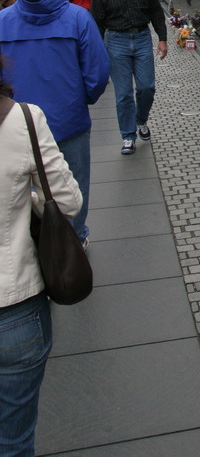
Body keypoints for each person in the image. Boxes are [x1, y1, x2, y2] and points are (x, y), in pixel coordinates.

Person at [0, 61, 82, 457]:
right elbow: (67, 202)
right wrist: (26, 200)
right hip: (15, 308)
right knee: (13, 441)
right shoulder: (22, 119)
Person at [0, 0, 109, 247]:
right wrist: (79, 98)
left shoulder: (3, 21)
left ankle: (33, 245)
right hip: (67, 121)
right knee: (73, 189)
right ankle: (73, 242)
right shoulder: (78, 18)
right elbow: (98, 73)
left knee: (19, 190)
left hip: (15, 124)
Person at [91, 0, 168, 155]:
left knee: (146, 87)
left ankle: (140, 119)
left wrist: (162, 38)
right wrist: (99, 49)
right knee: (123, 93)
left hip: (142, 38)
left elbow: (156, 12)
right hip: (116, 41)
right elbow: (97, 21)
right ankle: (127, 136)